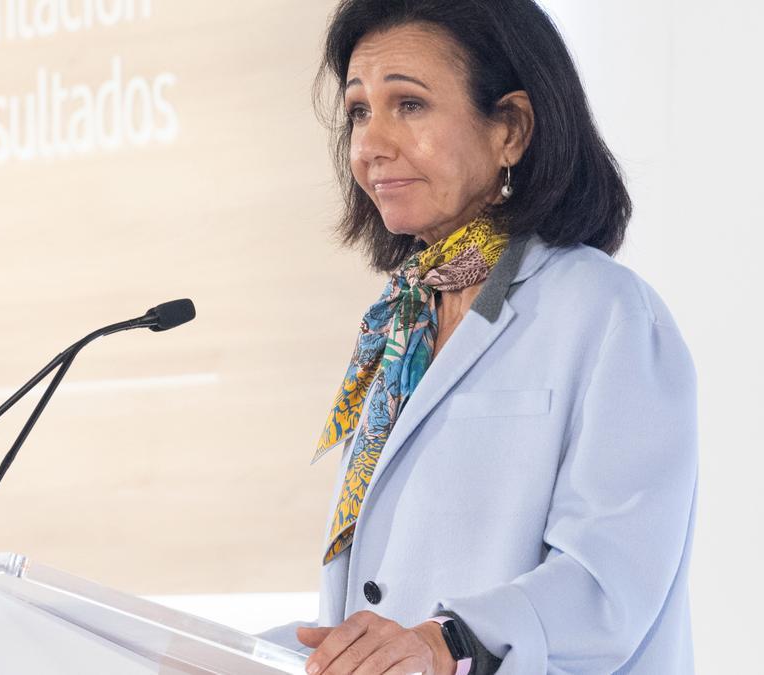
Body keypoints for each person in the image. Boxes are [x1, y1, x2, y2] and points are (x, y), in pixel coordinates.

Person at [258, 1, 699, 673]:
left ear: (512, 130)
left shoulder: (610, 315)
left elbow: (610, 582)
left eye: (408, 105)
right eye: (358, 111)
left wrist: (450, 640)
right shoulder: (400, 326)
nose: (371, 145)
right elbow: (383, 599)